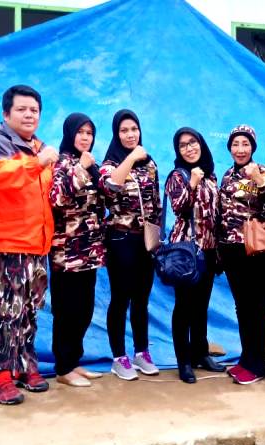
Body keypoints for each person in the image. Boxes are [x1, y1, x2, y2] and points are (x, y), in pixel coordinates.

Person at [0, 85, 58, 404]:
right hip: (9, 241)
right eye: (22, 109)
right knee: (5, 310)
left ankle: (24, 365)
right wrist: (37, 163)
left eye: (34, 110)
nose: (29, 115)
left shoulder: (38, 147)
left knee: (28, 310)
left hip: (37, 242)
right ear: (6, 114)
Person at [99, 109, 161, 380]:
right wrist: (132, 157)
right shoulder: (109, 164)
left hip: (144, 240)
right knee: (120, 298)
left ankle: (141, 352)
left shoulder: (150, 163)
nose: (130, 134)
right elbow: (110, 188)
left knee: (141, 299)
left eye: (134, 129)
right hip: (120, 238)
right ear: (116, 134)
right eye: (124, 130)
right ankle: (119, 357)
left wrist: (156, 236)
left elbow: (156, 202)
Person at [217, 125, 265, 385]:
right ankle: (246, 359)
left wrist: (259, 181)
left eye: (245, 144)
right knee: (242, 306)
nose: (240, 149)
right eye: (235, 144)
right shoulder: (227, 175)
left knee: (255, 306)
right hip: (230, 250)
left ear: (253, 147)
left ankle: (257, 364)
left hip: (254, 249)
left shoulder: (262, 171)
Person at [165, 127, 226, 384]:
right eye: (183, 145)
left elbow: (217, 214)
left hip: (209, 250)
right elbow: (179, 207)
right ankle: (184, 361)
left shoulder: (211, 176)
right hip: (187, 252)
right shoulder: (177, 176)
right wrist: (192, 183)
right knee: (184, 307)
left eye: (193, 142)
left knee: (201, 305)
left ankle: (201, 353)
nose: (189, 148)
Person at [49, 113, 106, 387]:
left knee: (84, 310)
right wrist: (81, 168)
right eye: (80, 132)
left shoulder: (91, 164)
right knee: (66, 311)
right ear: (70, 134)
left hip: (90, 250)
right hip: (66, 252)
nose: (85, 137)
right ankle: (63, 367)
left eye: (89, 133)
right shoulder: (61, 163)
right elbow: (57, 199)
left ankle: (74, 361)